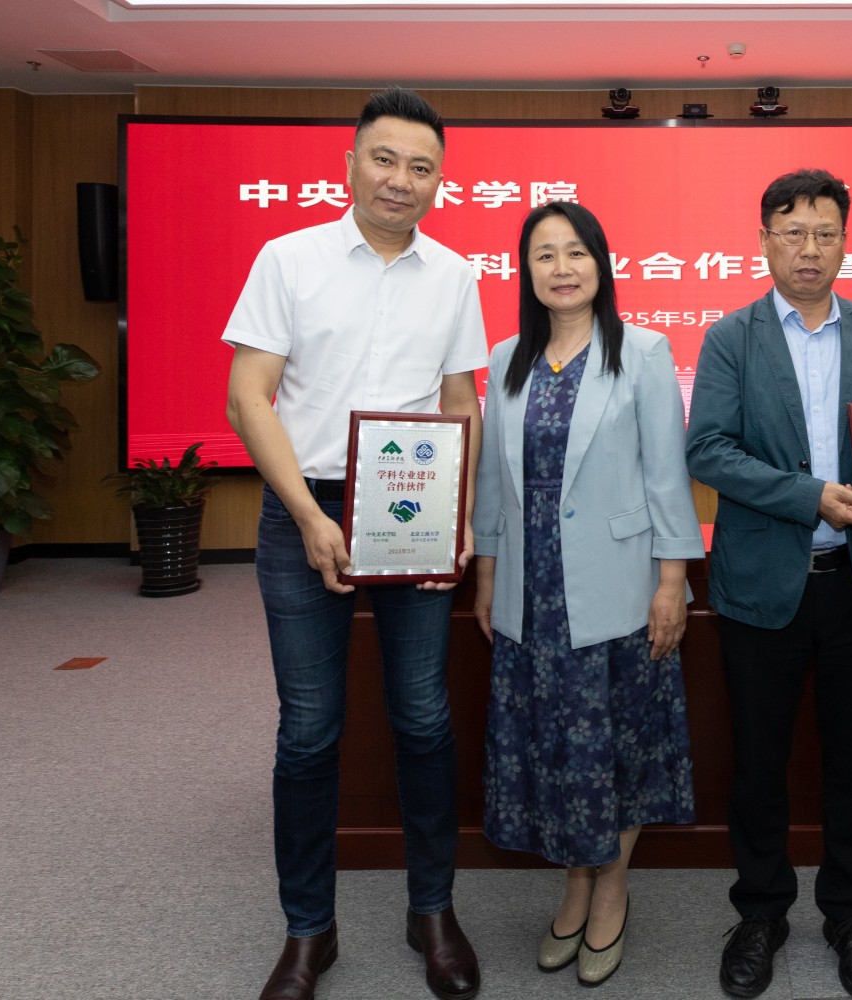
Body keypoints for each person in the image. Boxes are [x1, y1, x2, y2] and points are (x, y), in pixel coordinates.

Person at [223, 86, 486, 1000]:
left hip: (412, 507)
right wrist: (307, 515)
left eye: (421, 167)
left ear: (439, 182)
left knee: (423, 717)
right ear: (350, 164)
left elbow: (460, 403)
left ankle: (432, 911)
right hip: (306, 505)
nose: (400, 180)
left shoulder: (454, 276)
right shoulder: (288, 258)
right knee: (309, 731)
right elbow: (249, 396)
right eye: (385, 159)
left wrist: (458, 515)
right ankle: (309, 930)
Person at [685, 168, 852, 1000]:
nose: (809, 249)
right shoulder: (730, 337)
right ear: (764, 241)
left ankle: (851, 913)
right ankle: (761, 911)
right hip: (762, 585)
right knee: (758, 761)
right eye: (792, 233)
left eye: (824, 233)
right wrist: (809, 496)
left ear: (846, 241)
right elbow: (708, 449)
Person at [471, 201, 703, 987]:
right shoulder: (507, 356)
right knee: (556, 753)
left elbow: (666, 476)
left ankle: (610, 888)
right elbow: (493, 482)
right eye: (545, 255)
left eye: (576, 252)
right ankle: (576, 880)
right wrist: (487, 571)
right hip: (531, 595)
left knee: (619, 750)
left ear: (601, 265)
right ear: (526, 271)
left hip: (618, 589)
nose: (562, 268)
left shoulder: (642, 352)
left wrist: (672, 581)